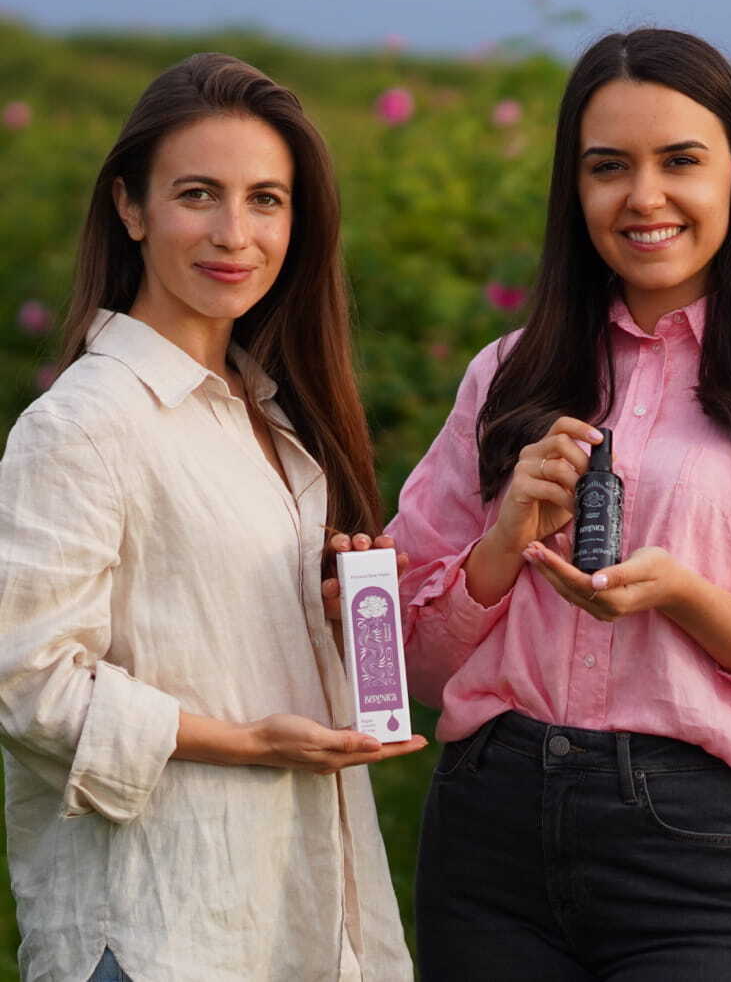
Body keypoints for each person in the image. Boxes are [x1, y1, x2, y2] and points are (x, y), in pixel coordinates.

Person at [378, 28, 731, 982]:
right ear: (573, 190)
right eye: (608, 167)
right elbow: (399, 662)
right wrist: (499, 548)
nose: (645, 196)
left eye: (681, 161)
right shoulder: (507, 376)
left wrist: (690, 600)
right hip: (489, 834)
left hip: (707, 850)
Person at [0, 54, 423, 982]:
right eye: (199, 194)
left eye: (266, 200)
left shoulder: (269, 417)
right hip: (160, 931)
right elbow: (27, 683)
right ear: (131, 207)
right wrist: (249, 741)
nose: (236, 233)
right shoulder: (80, 425)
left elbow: (215, 638)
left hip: (297, 919)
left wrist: (333, 631)